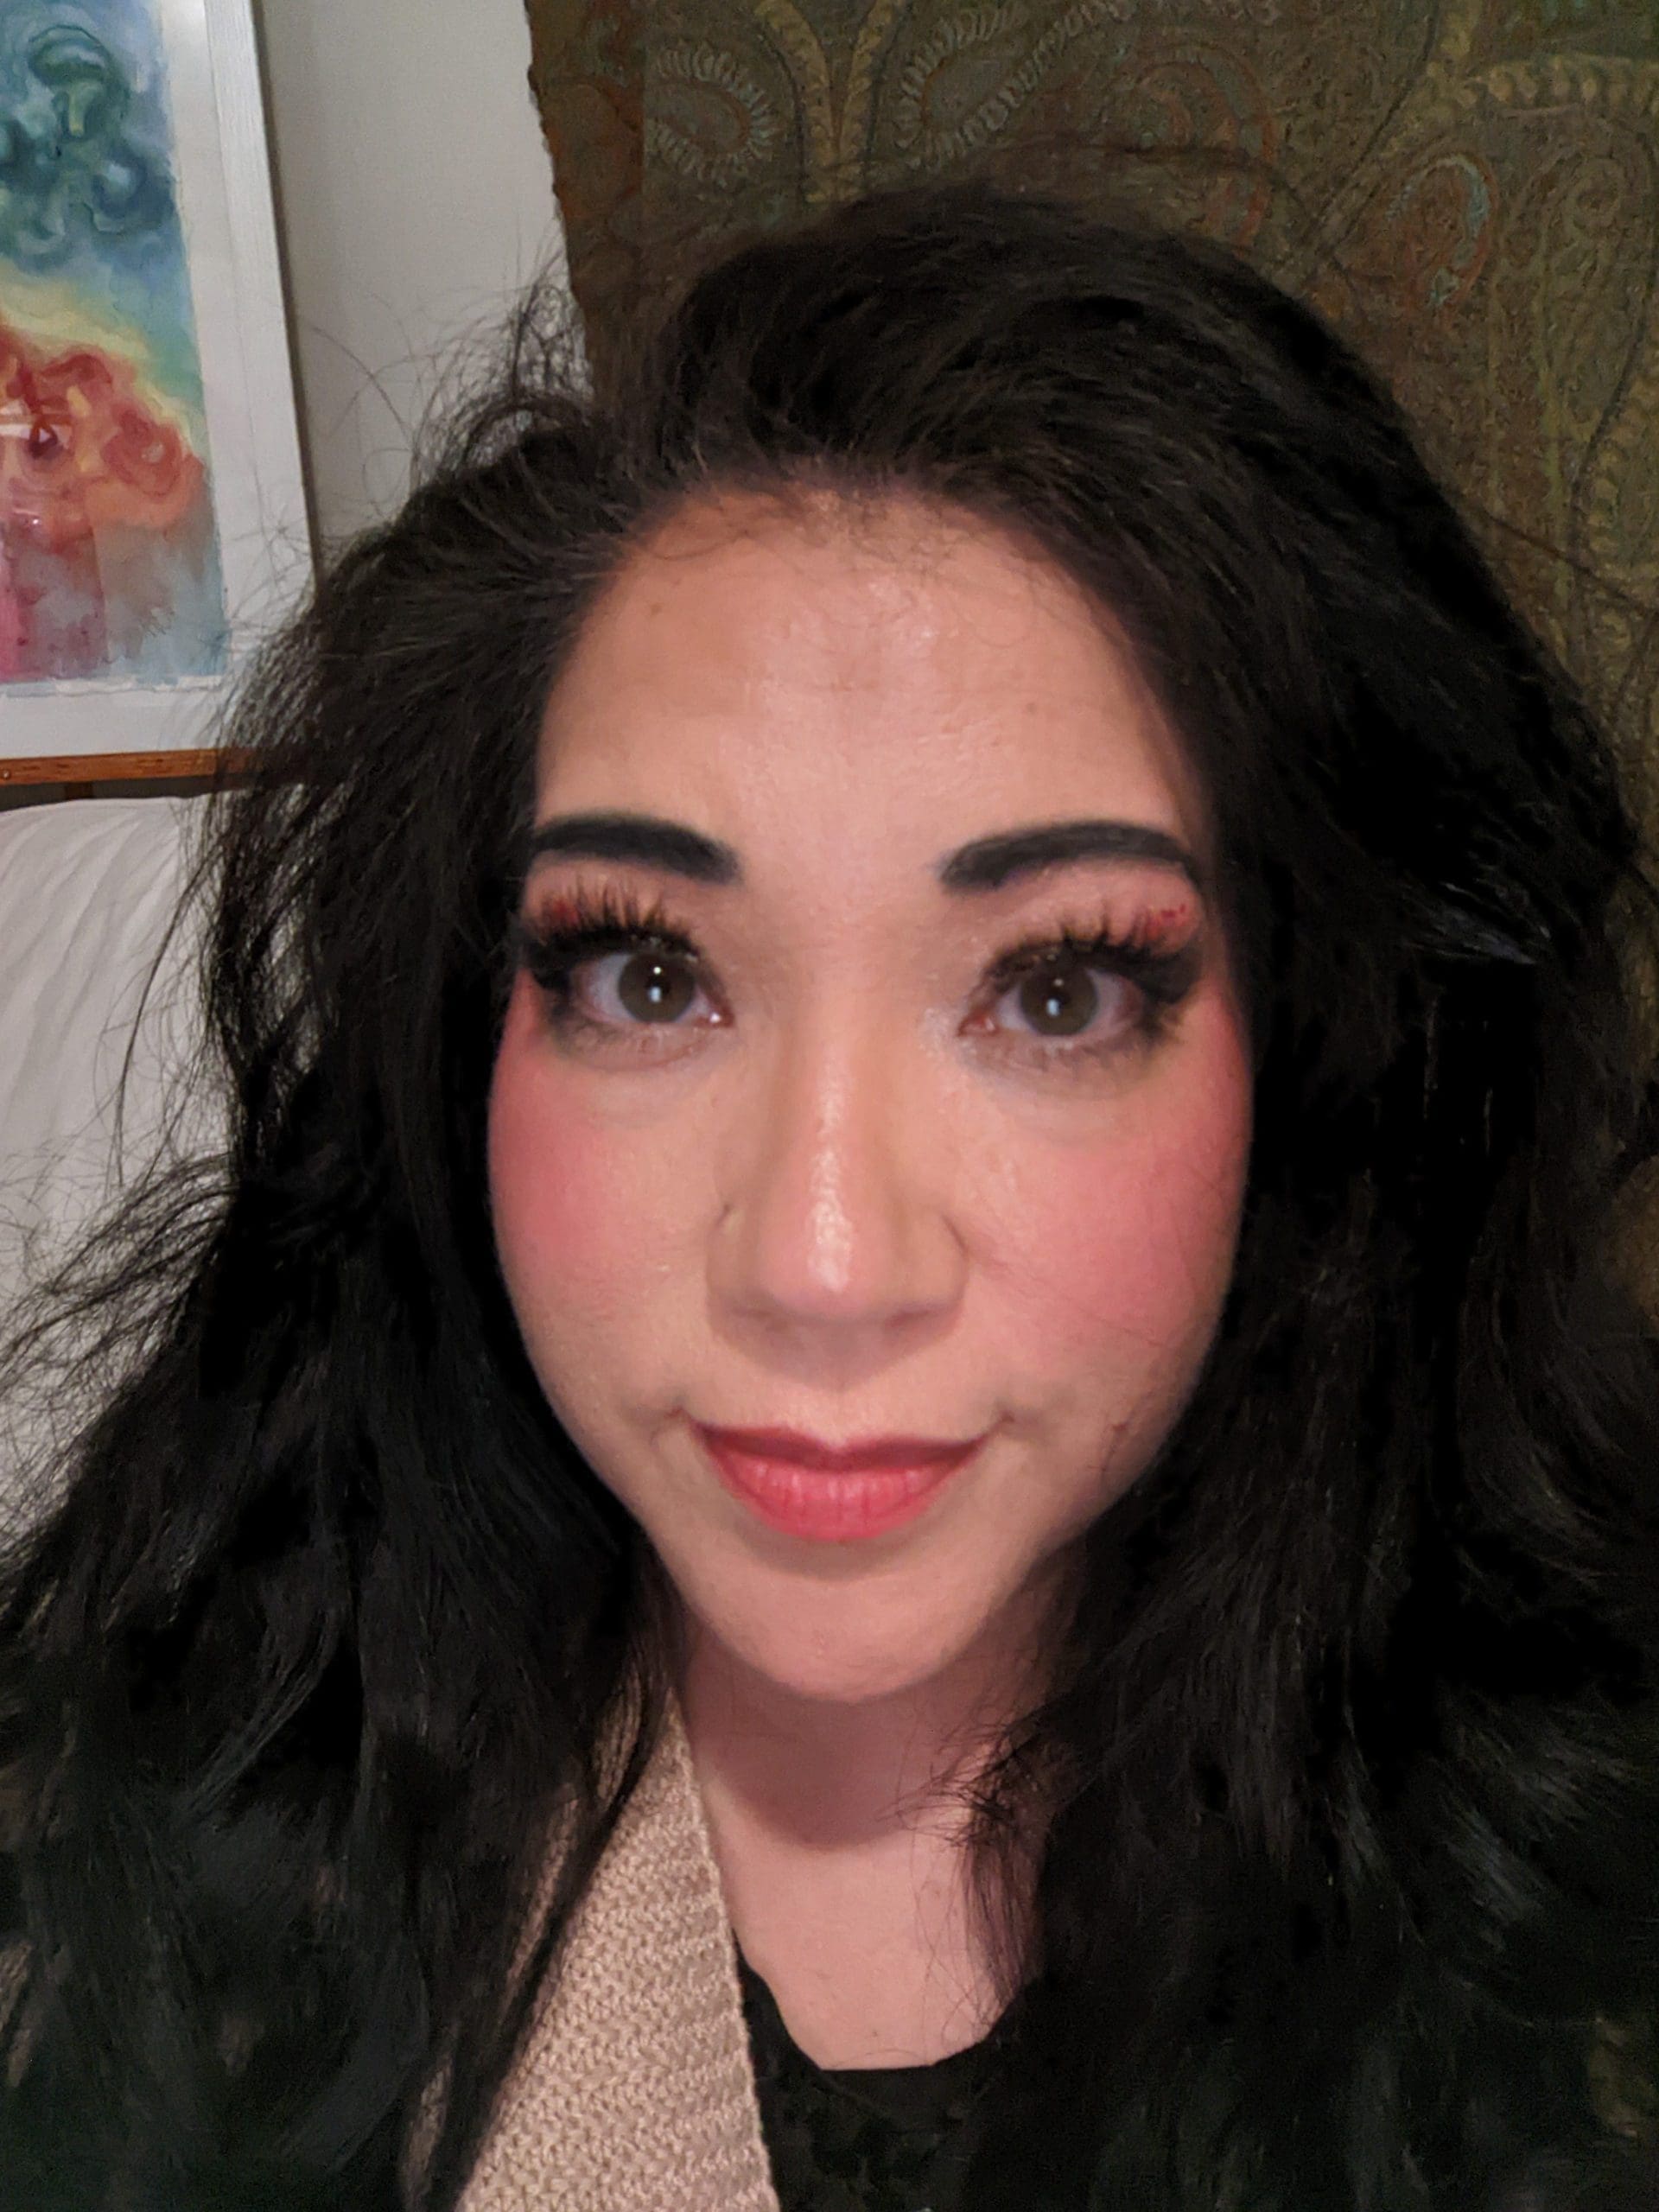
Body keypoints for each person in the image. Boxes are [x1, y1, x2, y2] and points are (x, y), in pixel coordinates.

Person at [1, 177, 1656, 2212]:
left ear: (1314, 1065)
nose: (822, 1262)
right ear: (460, 1038)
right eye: (648, 974)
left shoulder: (1583, 1914)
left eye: (1055, 990)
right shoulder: (114, 1878)